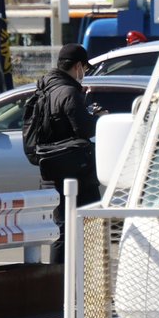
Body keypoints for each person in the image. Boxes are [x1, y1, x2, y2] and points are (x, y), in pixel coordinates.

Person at [35, 43, 105, 263]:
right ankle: (85, 287)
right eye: (84, 68)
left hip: (51, 170)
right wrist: (99, 117)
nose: (83, 73)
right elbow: (84, 128)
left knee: (61, 230)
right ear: (77, 66)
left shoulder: (44, 90)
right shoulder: (69, 92)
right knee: (89, 228)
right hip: (77, 172)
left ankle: (57, 283)